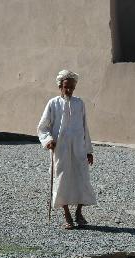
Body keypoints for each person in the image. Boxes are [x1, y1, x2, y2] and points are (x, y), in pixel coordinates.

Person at [37, 70, 97, 229]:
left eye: (71, 87)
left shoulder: (79, 103)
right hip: (61, 149)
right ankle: (67, 215)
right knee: (61, 179)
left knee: (81, 178)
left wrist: (89, 151)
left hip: (78, 148)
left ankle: (78, 212)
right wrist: (48, 140)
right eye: (66, 87)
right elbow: (43, 127)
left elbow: (85, 128)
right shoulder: (53, 104)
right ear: (60, 86)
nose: (69, 90)